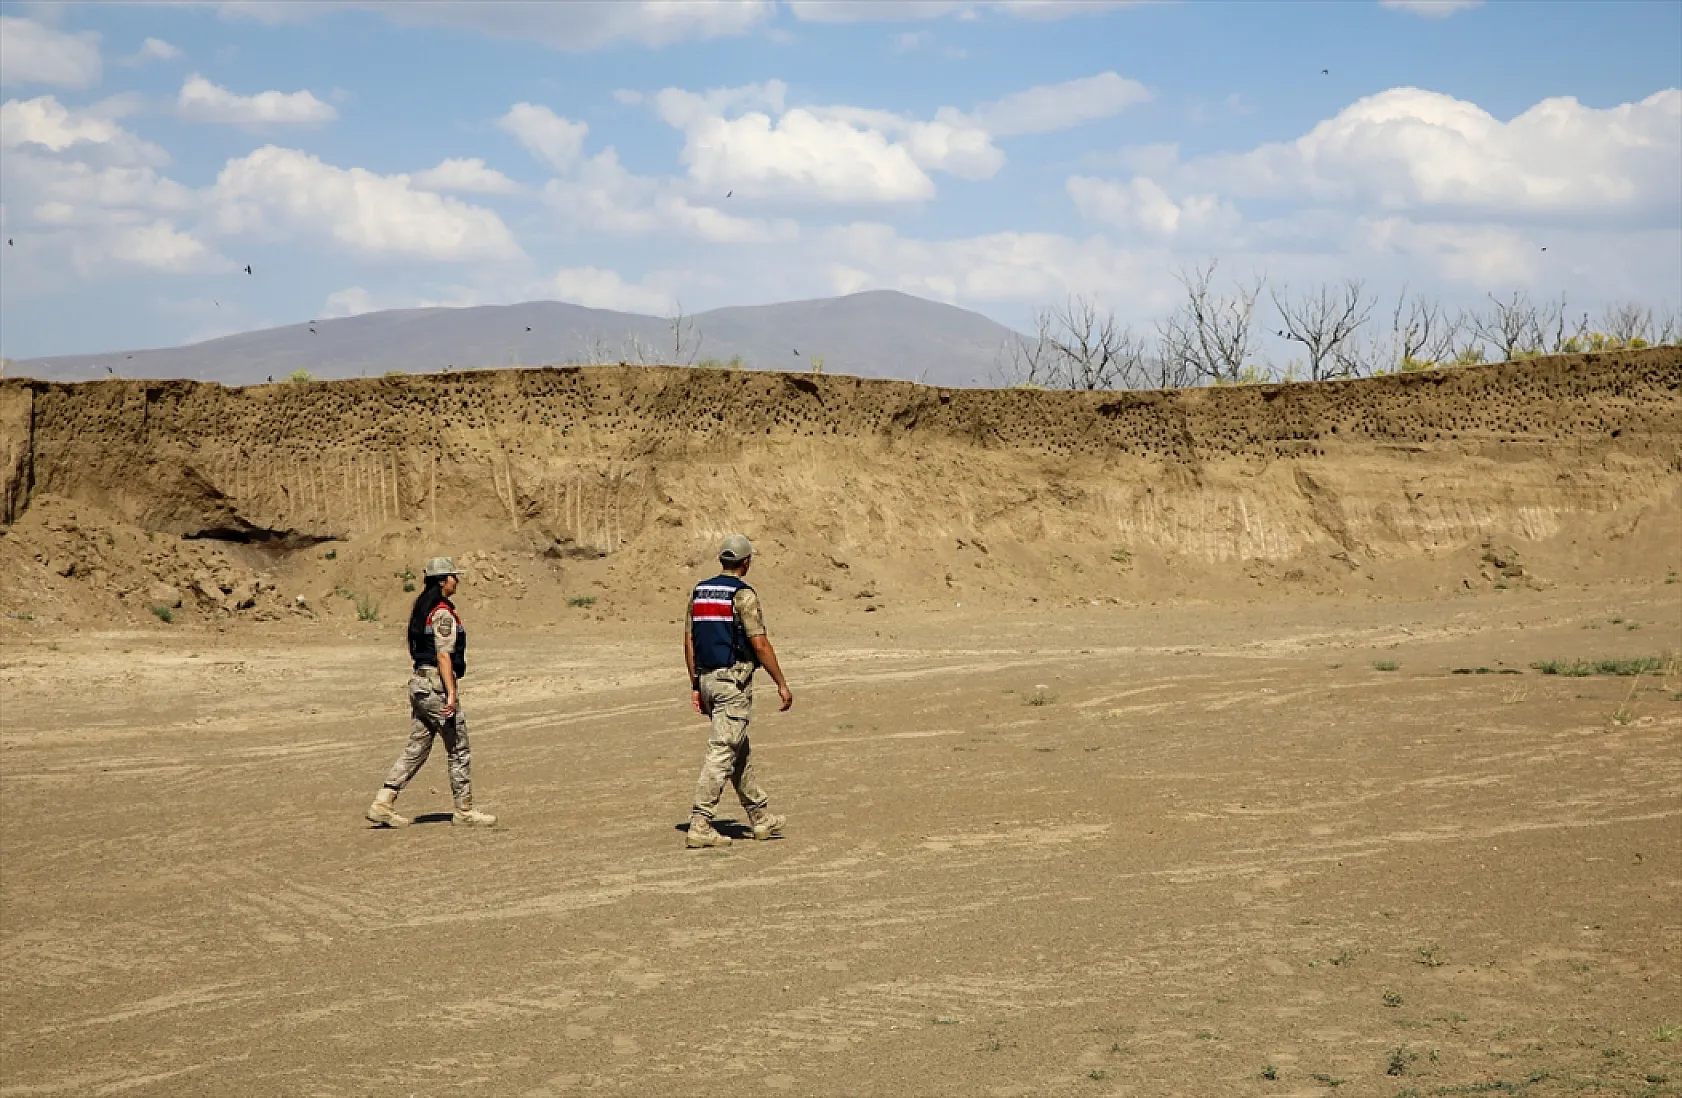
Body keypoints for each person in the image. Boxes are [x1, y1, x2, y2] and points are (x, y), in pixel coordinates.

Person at [366, 557, 497, 828]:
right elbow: (443, 655)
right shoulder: (441, 612)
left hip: (421, 685)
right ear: (443, 580)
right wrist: (451, 694)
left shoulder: (423, 609)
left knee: (417, 747)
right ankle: (464, 810)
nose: (456, 580)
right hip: (435, 687)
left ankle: (383, 802)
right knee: (459, 747)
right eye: (452, 576)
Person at [683, 534, 794, 848]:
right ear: (746, 562)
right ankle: (701, 823)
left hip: (706, 680)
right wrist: (781, 683)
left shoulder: (700, 592)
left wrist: (696, 684)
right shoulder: (743, 596)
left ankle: (760, 817)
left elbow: (689, 642)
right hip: (732, 684)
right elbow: (759, 642)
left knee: (738, 750)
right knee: (722, 751)